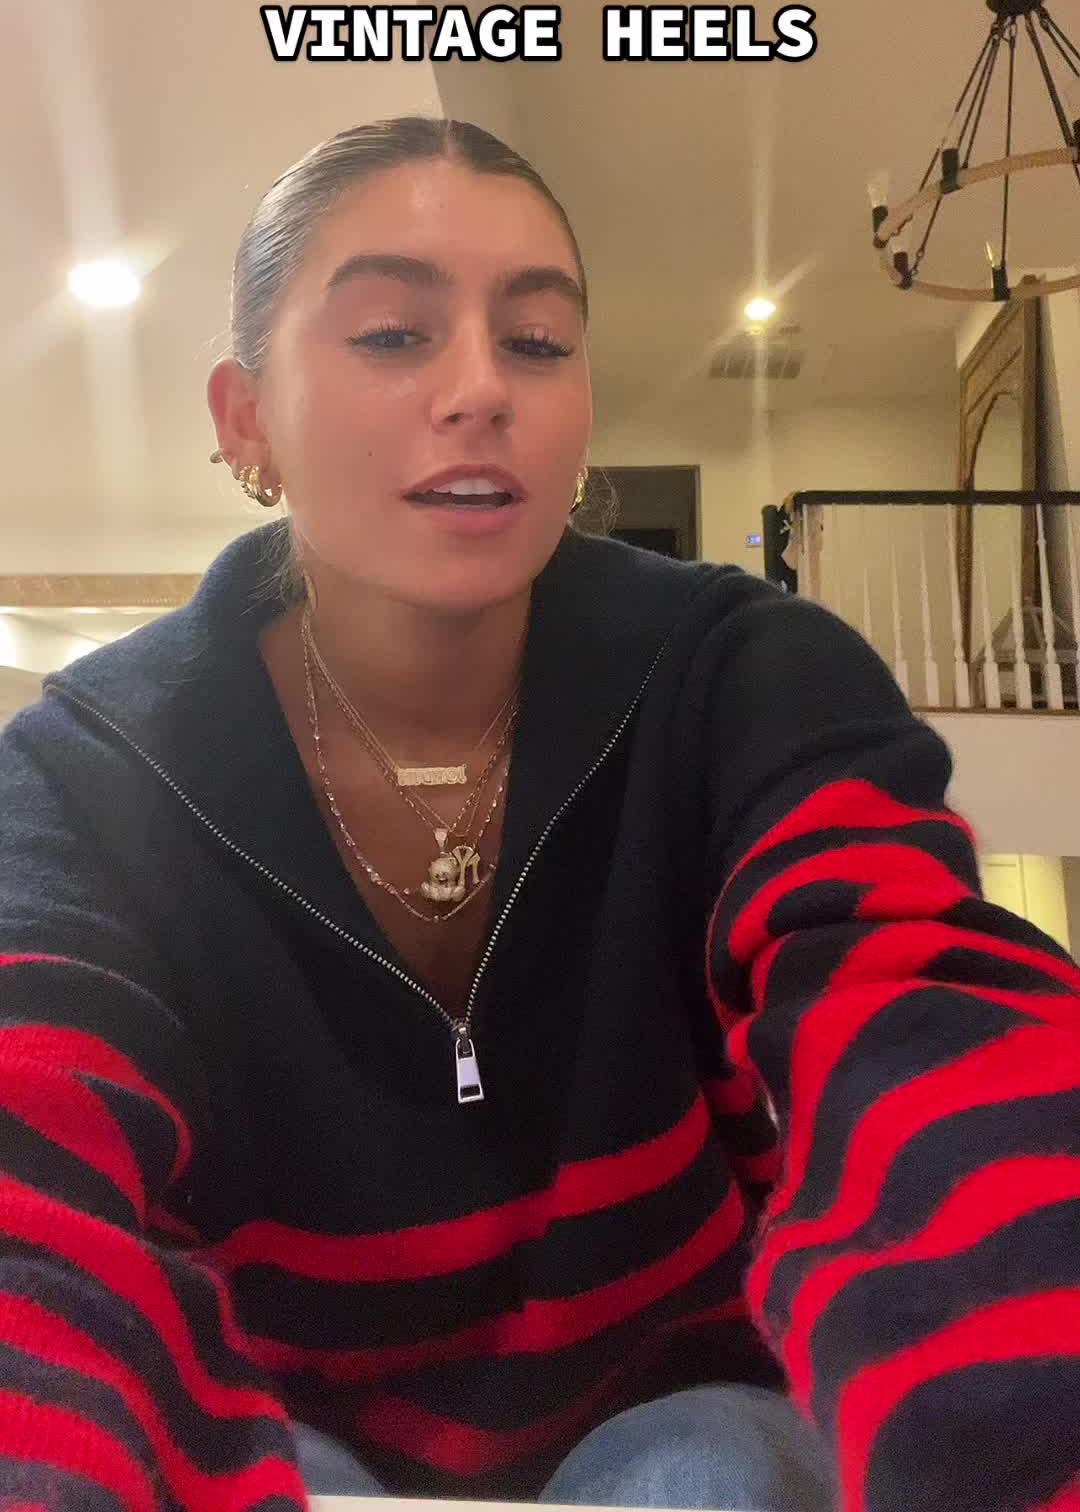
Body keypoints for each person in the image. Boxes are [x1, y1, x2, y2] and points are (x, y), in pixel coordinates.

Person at [1, 117, 1078, 1512]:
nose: (481, 390)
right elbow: (32, 1169)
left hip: (681, 1391)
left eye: (538, 341)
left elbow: (917, 1010)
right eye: (393, 334)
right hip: (279, 1418)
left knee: (709, 1479)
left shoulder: (743, 676)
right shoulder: (84, 775)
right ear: (246, 419)